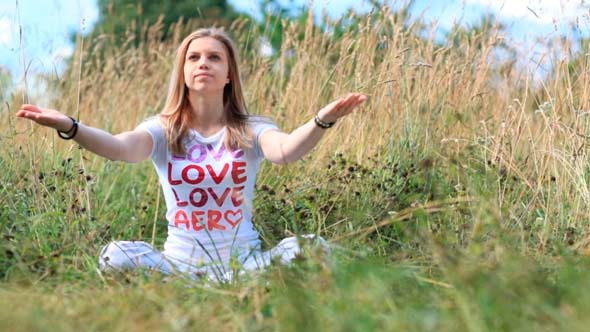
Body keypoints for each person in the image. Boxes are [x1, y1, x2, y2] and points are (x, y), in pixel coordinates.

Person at [16, 27, 366, 282]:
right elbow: (120, 148)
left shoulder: (252, 128)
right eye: (194, 57)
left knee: (310, 249)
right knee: (115, 257)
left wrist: (323, 120)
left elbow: (286, 151)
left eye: (215, 58)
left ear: (229, 75)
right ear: (183, 72)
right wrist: (70, 126)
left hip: (244, 266)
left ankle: (257, 288)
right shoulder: (163, 129)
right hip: (179, 266)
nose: (204, 64)